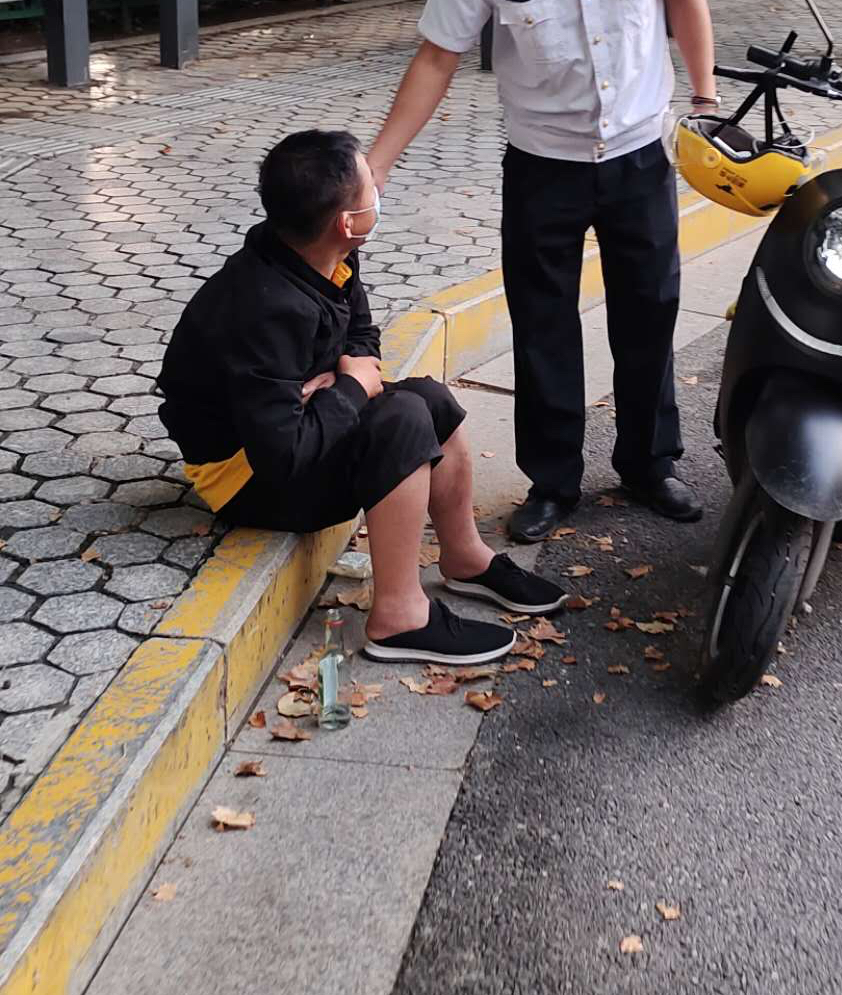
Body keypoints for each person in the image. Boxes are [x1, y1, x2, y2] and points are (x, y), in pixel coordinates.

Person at [367, 0, 717, 543]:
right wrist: (379, 160)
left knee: (650, 310)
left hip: (636, 153)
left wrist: (704, 97)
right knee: (544, 323)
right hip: (542, 164)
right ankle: (554, 479)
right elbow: (436, 57)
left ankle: (650, 461)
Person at [157, 128, 565, 665]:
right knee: (400, 421)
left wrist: (339, 377)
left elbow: (362, 337)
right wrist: (350, 385)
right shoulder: (264, 307)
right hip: (245, 479)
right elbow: (282, 458)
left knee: (429, 398)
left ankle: (464, 557)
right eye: (371, 186)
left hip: (290, 433)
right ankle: (399, 617)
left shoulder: (325, 255)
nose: (379, 190)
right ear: (347, 222)